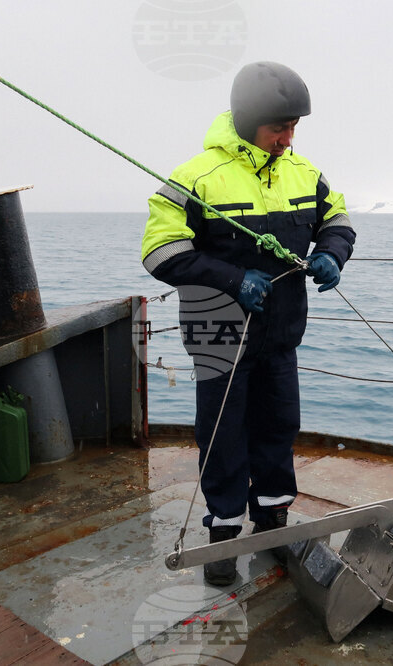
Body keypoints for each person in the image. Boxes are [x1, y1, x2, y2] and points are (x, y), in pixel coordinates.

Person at [141, 61, 355, 586]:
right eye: (278, 128)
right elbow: (158, 251)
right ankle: (222, 539)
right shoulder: (195, 178)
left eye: (294, 128)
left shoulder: (304, 173)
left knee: (278, 428)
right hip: (219, 337)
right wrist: (233, 280)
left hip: (280, 335)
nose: (287, 139)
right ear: (246, 120)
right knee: (222, 436)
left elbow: (338, 220)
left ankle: (273, 523)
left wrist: (331, 253)